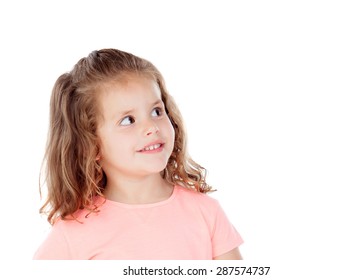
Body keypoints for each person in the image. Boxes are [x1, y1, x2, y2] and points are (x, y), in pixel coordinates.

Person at [34, 48, 243, 260]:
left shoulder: (206, 212)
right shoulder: (72, 235)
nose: (151, 126)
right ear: (92, 145)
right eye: (128, 120)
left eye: (156, 111)